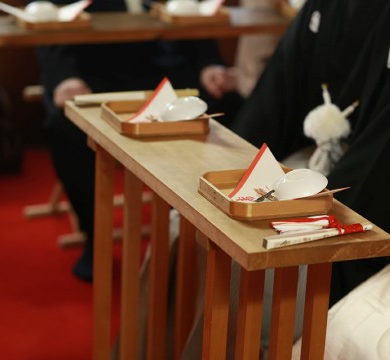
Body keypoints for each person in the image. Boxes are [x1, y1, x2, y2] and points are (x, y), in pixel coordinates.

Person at [230, 0, 390, 308]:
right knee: (217, 233)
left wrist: (322, 218)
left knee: (274, 272)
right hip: (327, 158)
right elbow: (279, 93)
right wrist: (235, 166)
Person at [36, 0, 240, 282]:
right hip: (96, 75)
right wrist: (65, 77)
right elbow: (53, 20)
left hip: (166, 77)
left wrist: (208, 65)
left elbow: (191, 15)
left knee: (230, 106)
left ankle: (190, 232)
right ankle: (94, 234)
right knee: (64, 127)